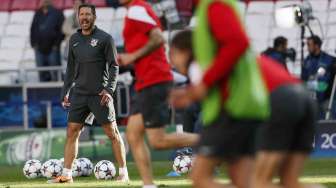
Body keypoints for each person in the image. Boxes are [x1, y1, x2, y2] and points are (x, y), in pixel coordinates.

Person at [169, 1, 322, 188]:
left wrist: (193, 93)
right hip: (301, 96)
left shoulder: (212, 15)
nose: (173, 62)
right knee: (289, 182)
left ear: (184, 52)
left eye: (173, 55)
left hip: (274, 100)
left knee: (248, 182)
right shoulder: (234, 56)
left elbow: (236, 44)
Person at [117, 0, 199, 187]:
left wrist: (132, 56)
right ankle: (148, 185)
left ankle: (215, 140)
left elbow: (158, 38)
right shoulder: (135, 10)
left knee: (158, 140)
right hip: (145, 80)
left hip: (155, 78)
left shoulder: (137, 9)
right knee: (133, 133)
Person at [49, 3, 128, 183]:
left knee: (112, 133)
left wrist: (109, 89)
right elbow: (70, 69)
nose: (84, 18)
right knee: (72, 131)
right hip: (79, 94)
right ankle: (67, 175)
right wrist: (65, 92)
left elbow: (114, 66)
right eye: (81, 14)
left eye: (87, 14)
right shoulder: (74, 40)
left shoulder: (105, 39)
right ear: (78, 17)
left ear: (94, 17)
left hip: (100, 95)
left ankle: (123, 173)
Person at [302, 35, 336, 119]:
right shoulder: (307, 61)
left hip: (327, 100)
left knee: (330, 123)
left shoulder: (329, 59)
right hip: (312, 100)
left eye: (309, 45)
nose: (308, 48)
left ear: (316, 45)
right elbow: (303, 80)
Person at [30, 0, 65, 82]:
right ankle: (43, 94)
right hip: (39, 49)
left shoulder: (58, 13)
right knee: (42, 74)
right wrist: (33, 44)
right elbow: (33, 29)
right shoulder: (38, 13)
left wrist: (56, 45)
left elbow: (62, 31)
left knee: (55, 74)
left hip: (53, 49)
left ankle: (57, 93)